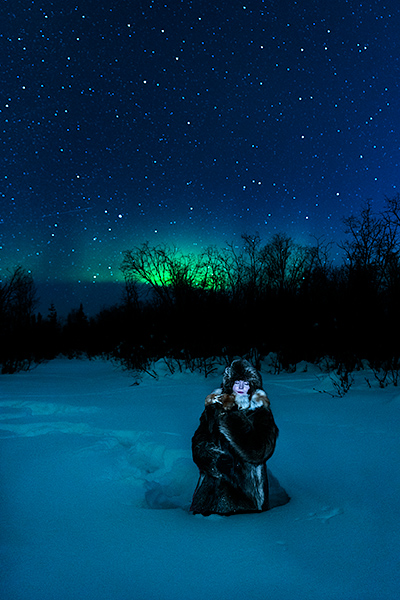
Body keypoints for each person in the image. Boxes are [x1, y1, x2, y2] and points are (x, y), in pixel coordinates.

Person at [190, 358, 288, 516]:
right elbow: (199, 441)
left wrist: (232, 420)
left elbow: (260, 451)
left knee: (240, 535)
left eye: (246, 383)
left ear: (252, 386)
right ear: (230, 385)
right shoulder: (214, 408)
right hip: (211, 492)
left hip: (245, 495)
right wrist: (213, 460)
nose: (242, 387)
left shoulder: (260, 412)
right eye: (237, 382)